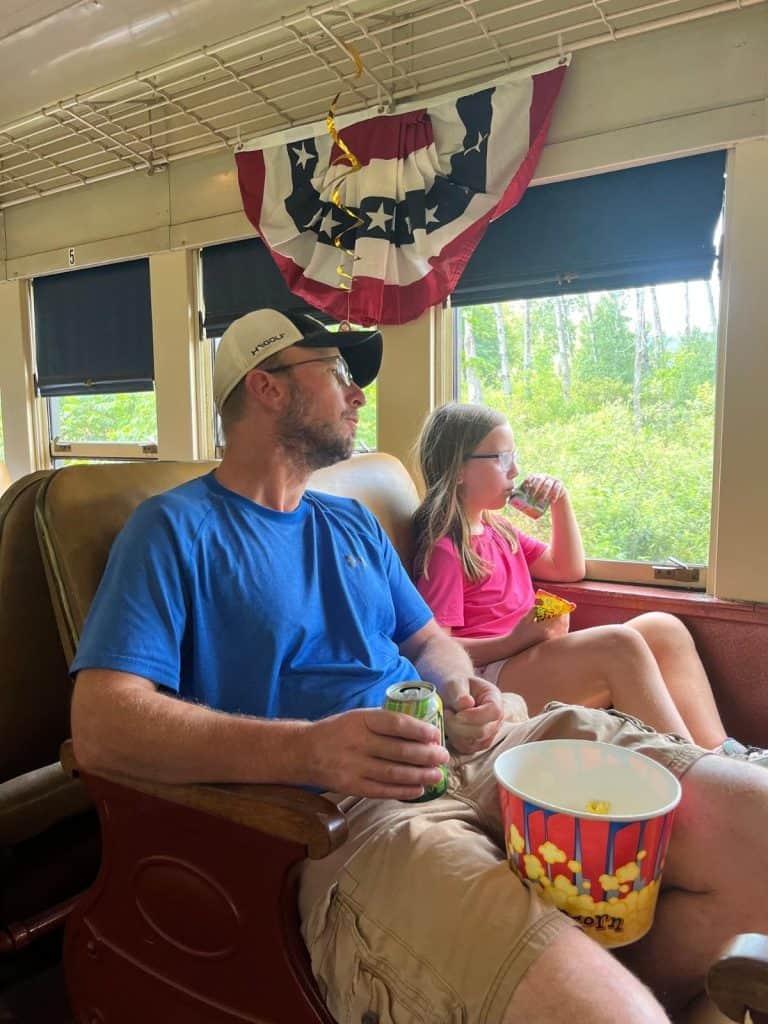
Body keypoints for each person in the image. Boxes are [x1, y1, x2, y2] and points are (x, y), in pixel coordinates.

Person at [70, 308, 768, 1024]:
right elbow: (99, 725)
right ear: (266, 386)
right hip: (347, 818)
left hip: (478, 754)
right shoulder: (173, 530)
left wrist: (463, 689)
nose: (359, 394)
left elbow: (431, 640)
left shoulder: (348, 522)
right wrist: (308, 749)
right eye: (340, 372)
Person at [413, 401, 768, 764]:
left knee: (663, 628)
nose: (515, 470)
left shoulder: (498, 529)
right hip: (492, 682)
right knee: (618, 643)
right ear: (459, 470)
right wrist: (514, 639)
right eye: (502, 459)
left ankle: (721, 752)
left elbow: (567, 569)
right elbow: (436, 650)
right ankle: (694, 767)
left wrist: (560, 502)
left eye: (514, 456)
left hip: (526, 656)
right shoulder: (446, 550)